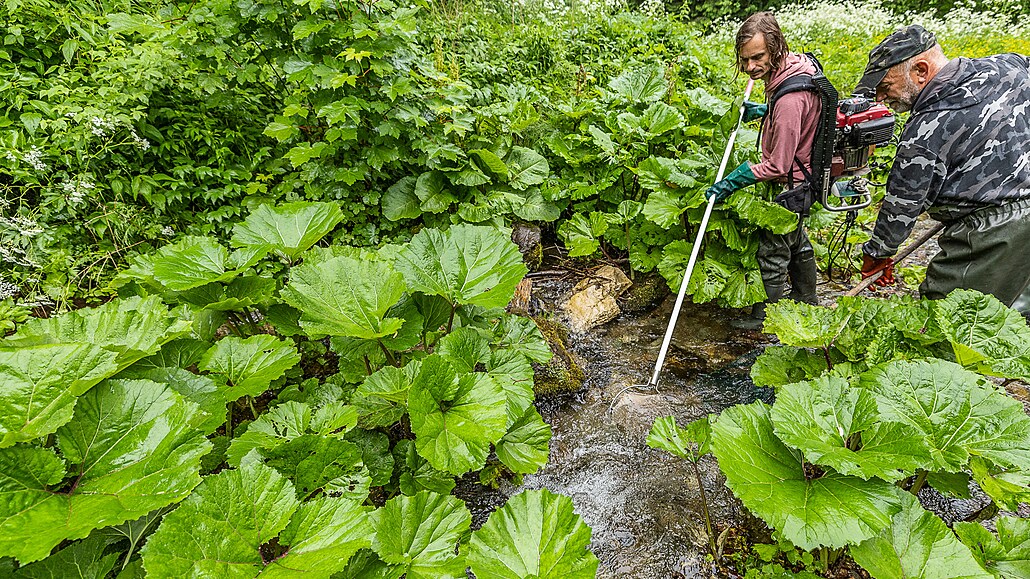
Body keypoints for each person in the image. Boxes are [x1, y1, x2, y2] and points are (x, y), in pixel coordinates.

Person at [855, 25, 1030, 320]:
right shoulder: (1009, 66)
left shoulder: (925, 130)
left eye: (886, 87)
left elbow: (902, 205)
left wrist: (877, 254)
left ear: (920, 71)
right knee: (1014, 320)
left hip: (992, 232)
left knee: (948, 320)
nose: (882, 99)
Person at [706, 11, 820, 329]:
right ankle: (806, 298)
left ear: (776, 47)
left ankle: (765, 317)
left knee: (772, 248)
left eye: (758, 57)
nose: (750, 67)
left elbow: (777, 165)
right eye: (745, 60)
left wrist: (732, 181)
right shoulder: (796, 67)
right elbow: (796, 112)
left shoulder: (789, 101)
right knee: (796, 239)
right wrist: (765, 110)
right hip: (807, 174)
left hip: (794, 180)